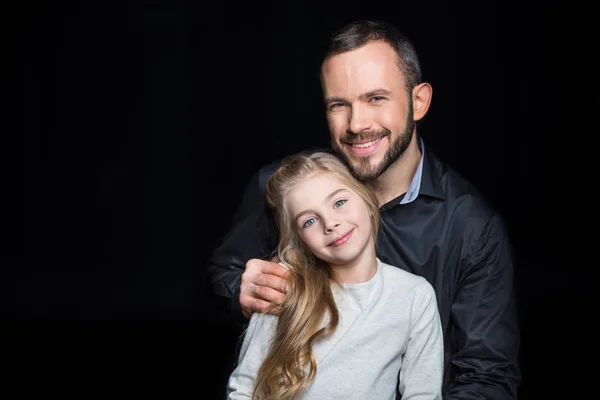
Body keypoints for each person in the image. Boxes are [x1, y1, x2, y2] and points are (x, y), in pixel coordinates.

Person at [208, 19, 520, 399]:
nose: (357, 124)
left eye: (376, 98)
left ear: (418, 101)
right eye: (339, 105)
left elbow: (486, 377)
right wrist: (240, 291)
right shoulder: (280, 189)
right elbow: (223, 275)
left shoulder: (472, 226)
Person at [226, 151, 443, 399]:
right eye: (309, 221)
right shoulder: (284, 287)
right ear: (300, 241)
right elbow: (244, 390)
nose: (330, 223)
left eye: (339, 203)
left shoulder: (414, 295)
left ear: (366, 199)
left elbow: (423, 394)